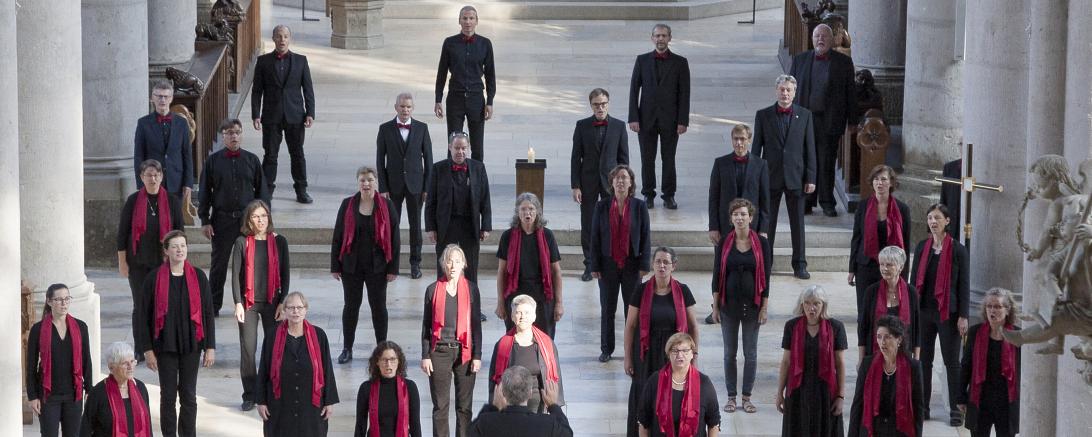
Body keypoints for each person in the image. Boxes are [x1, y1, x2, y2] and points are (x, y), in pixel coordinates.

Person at [136, 230, 216, 437]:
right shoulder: (154, 278)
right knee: (168, 396)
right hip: (164, 345)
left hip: (192, 344)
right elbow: (142, 316)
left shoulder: (198, 276)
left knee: (189, 396)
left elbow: (207, 313)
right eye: (174, 246)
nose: (180, 249)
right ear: (166, 251)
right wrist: (147, 350)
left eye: (183, 245)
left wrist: (210, 347)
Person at [199, 118, 270, 315]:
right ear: (223, 136)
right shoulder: (213, 161)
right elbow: (204, 192)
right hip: (222, 220)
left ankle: (248, 302)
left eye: (237, 132)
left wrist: (262, 219)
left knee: (249, 264)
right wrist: (205, 220)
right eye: (230, 133)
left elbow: (262, 192)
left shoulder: (252, 160)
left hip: (247, 221)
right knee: (219, 264)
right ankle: (213, 305)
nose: (234, 136)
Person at [624, 247, 697, 437]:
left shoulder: (683, 290)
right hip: (645, 354)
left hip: (673, 354)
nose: (662, 266)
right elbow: (630, 326)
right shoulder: (641, 290)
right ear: (653, 265)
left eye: (666, 262)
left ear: (674, 266)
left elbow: (693, 327)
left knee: (670, 396)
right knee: (643, 395)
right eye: (658, 261)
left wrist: (693, 356)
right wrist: (627, 358)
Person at [332, 167, 401, 364]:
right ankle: (347, 348)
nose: (366, 184)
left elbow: (395, 239)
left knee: (378, 307)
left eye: (370, 180)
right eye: (362, 180)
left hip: (378, 267)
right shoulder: (348, 205)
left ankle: (382, 348)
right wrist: (335, 266)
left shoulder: (387, 206)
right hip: (351, 267)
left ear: (376, 182)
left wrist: (393, 268)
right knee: (351, 307)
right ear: (358, 183)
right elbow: (338, 236)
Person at [710, 197, 772, 415]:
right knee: (729, 354)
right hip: (728, 306)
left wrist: (764, 307)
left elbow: (766, 277)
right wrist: (715, 307)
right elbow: (717, 274)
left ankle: (746, 397)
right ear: (731, 218)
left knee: (751, 354)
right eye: (735, 214)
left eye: (743, 214)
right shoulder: (725, 242)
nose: (739, 217)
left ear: (751, 217)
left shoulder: (762, 243)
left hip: (753, 306)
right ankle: (730, 396)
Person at [751, 74, 816, 279]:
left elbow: (810, 149)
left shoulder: (805, 115)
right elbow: (756, 150)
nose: (785, 93)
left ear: (794, 92)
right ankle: (765, 264)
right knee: (766, 224)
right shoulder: (763, 115)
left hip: (796, 177)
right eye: (782, 89)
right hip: (771, 176)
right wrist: (755, 178)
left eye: (789, 90)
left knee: (798, 223)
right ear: (776, 90)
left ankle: (800, 264)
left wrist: (811, 177)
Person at [909, 203, 969, 425]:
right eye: (930, 218)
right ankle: (923, 408)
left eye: (937, 218)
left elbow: (964, 285)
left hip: (948, 313)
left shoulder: (958, 250)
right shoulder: (923, 247)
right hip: (924, 311)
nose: (933, 222)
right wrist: (911, 309)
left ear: (947, 221)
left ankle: (955, 409)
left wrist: (963, 315)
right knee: (924, 360)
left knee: (951, 362)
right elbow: (913, 281)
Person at [789, 23, 856, 217]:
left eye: (824, 36)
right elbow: (791, 90)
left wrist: (852, 121)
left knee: (826, 162)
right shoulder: (800, 60)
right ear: (812, 39)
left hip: (830, 120)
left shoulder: (843, 63)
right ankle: (807, 202)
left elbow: (850, 93)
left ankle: (827, 202)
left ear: (832, 40)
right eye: (817, 36)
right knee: (805, 161)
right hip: (804, 120)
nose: (820, 39)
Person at [118, 159, 185, 348]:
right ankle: (141, 347)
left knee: (164, 303)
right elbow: (122, 233)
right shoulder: (133, 201)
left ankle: (161, 343)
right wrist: (122, 262)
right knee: (141, 305)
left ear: (162, 177)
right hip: (137, 263)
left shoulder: (172, 201)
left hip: (163, 263)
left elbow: (180, 233)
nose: (153, 179)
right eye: (148, 175)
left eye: (156, 175)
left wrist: (178, 261)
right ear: (141, 177)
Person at [230, 199, 290, 411]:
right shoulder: (241, 242)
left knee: (274, 349)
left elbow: (285, 274)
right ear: (249, 220)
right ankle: (249, 394)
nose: (261, 220)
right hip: (249, 304)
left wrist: (283, 302)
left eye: (264, 216)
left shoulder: (279, 242)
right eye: (256, 216)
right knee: (248, 349)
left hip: (273, 303)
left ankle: (272, 391)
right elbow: (236, 276)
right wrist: (238, 303)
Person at [706, 129, 770, 324]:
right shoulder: (720, 163)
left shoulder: (761, 164)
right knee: (721, 268)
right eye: (736, 139)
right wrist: (713, 226)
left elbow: (764, 200)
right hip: (726, 228)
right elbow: (713, 197)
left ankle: (756, 306)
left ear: (749, 140)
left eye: (743, 139)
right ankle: (717, 307)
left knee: (755, 269)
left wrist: (763, 228)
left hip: (752, 229)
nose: (739, 143)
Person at [590, 165, 651, 363]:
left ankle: (632, 349)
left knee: (631, 309)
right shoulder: (602, 206)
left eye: (624, 177)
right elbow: (595, 238)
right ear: (612, 182)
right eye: (617, 178)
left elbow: (645, 237)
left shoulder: (640, 207)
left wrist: (644, 264)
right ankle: (606, 348)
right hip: (607, 264)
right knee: (607, 308)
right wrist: (594, 265)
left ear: (631, 182)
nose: (621, 181)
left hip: (632, 264)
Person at [420, 244, 484, 437]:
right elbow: (426, 326)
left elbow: (476, 326)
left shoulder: (472, 290)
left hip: (465, 351)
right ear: (443, 264)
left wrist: (477, 355)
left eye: (457, 261)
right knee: (440, 406)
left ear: (464, 264)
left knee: (464, 406)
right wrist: (425, 356)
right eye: (449, 261)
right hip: (439, 351)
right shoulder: (432, 290)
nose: (453, 265)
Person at [257, 291, 339, 436]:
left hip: (311, 408)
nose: (296, 311)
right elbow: (264, 369)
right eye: (291, 307)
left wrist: (329, 401)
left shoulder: (319, 335)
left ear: (305, 310)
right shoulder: (272, 335)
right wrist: (261, 401)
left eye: (300, 307)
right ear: (285, 311)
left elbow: (327, 370)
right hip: (280, 406)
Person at [628, 23, 690, 210]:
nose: (660, 39)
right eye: (657, 35)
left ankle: (669, 195)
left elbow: (684, 94)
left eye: (664, 35)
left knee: (668, 159)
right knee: (647, 158)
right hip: (646, 119)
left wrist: (682, 120)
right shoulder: (642, 60)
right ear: (652, 38)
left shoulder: (680, 62)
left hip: (671, 120)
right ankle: (648, 194)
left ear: (670, 38)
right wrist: (633, 117)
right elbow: (634, 90)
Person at [252, 24, 316, 203]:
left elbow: (308, 89)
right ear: (273, 39)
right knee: (270, 155)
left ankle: (301, 190)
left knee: (297, 154)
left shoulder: (301, 61)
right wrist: (256, 114)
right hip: (271, 116)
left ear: (290, 38)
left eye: (285, 36)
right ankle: (267, 192)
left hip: (295, 115)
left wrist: (310, 112)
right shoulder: (263, 62)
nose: (282, 40)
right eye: (278, 36)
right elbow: (257, 90)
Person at [572, 88, 630, 282]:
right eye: (596, 104)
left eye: (603, 103)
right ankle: (589, 265)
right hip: (587, 181)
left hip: (611, 184)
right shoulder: (582, 126)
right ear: (591, 106)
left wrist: (624, 185)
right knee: (588, 223)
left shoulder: (619, 126)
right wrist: (575, 185)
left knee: (612, 222)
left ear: (608, 104)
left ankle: (609, 262)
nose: (600, 107)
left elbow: (624, 159)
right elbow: (575, 158)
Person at [774, 285, 847, 437]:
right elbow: (786, 362)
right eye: (807, 303)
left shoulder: (836, 327)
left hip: (825, 392)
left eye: (816, 303)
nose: (811, 308)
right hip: (798, 390)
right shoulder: (791, 327)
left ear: (823, 305)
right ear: (801, 305)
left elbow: (840, 364)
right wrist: (780, 392)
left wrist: (840, 396)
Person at [377, 92, 433, 279]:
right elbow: (379, 160)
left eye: (408, 107)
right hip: (393, 186)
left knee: (416, 226)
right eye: (402, 106)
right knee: (392, 225)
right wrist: (383, 187)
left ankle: (415, 264)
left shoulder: (422, 128)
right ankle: (391, 264)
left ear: (413, 108)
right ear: (396, 107)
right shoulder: (385, 129)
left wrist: (427, 187)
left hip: (415, 186)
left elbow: (429, 160)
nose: (405, 110)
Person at [27, 283, 92, 437]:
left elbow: (86, 361)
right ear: (49, 302)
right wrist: (32, 396)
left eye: (67, 299)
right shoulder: (37, 330)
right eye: (59, 299)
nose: (64, 303)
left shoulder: (81, 327)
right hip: (48, 396)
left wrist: (89, 389)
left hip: (74, 394)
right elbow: (30, 366)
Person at [425, 132, 491, 284]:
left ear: (468, 148)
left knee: (471, 266)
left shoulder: (478, 168)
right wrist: (430, 227)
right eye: (456, 148)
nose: (460, 152)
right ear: (450, 147)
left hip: (470, 224)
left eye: (463, 148)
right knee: (444, 265)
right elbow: (431, 202)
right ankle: (442, 303)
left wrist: (486, 225)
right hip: (446, 225)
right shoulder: (438, 168)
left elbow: (485, 198)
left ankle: (472, 305)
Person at [495, 193, 563, 336]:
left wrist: (559, 303)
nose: (527, 213)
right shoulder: (507, 237)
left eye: (531, 209)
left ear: (537, 212)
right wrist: (500, 303)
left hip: (543, 296)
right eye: (523, 209)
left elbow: (556, 271)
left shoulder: (548, 236)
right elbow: (501, 272)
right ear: (517, 212)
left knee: (544, 339)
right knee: (516, 338)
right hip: (516, 296)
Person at [434, 5, 496, 161]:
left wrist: (490, 102)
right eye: (465, 18)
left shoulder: (485, 44)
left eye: (471, 18)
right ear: (459, 21)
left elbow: (490, 75)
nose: (468, 22)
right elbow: (441, 73)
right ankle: (451, 181)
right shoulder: (449, 43)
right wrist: (438, 99)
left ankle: (477, 182)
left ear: (476, 21)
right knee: (453, 143)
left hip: (476, 99)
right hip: (455, 98)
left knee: (477, 145)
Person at [849, 165, 911, 318]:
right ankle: (863, 342)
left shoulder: (902, 209)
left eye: (884, 179)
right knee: (865, 311)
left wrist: (904, 273)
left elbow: (906, 244)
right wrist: (852, 269)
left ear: (891, 183)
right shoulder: (863, 206)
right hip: (866, 265)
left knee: (888, 311)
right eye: (876, 179)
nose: (879, 183)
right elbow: (856, 237)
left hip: (891, 267)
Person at [958, 288, 1021, 437]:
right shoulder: (975, 332)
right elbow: (966, 366)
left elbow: (1024, 372)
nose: (992, 310)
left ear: (1007, 310)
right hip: (981, 399)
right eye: (989, 306)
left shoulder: (1017, 335)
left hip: (1007, 401)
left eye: (997, 306)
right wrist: (961, 396)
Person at [848, 316, 924, 437]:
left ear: (899, 339)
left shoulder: (913, 367)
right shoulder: (867, 364)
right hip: (872, 431)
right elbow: (857, 404)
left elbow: (918, 408)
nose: (882, 342)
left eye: (887, 337)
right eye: (879, 337)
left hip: (900, 432)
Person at [488, 294, 565, 414]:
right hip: (512, 402)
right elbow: (494, 379)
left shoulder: (547, 344)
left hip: (538, 400)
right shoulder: (502, 345)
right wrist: (494, 406)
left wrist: (555, 406)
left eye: (527, 312)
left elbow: (557, 377)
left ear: (534, 316)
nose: (522, 316)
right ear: (512, 316)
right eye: (518, 312)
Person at [637, 332, 720, 437]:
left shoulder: (704, 383)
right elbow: (643, 420)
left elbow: (714, 423)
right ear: (668, 354)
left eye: (685, 351)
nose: (680, 355)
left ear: (692, 354)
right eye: (675, 350)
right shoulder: (655, 381)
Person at [470, 366, 573, 437]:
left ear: (503, 392)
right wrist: (554, 406)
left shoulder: (486, 422)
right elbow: (567, 434)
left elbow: (470, 432)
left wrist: (494, 407)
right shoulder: (548, 423)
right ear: (530, 393)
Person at [133, 80, 193, 198]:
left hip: (176, 181)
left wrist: (188, 183)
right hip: (152, 182)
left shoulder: (182, 123)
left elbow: (187, 154)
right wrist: (141, 184)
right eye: (159, 96)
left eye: (166, 96)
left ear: (171, 99)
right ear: (152, 98)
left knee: (174, 216)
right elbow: (139, 156)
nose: (162, 100)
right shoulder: (143, 123)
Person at [858, 246, 920, 359]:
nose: (884, 268)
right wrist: (861, 359)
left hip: (903, 353)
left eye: (889, 265)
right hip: (874, 353)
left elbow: (917, 329)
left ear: (900, 267)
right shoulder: (871, 291)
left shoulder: (911, 293)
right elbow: (863, 327)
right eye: (882, 264)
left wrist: (916, 359)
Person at [79, 342, 153, 437]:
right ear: (111, 367)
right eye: (125, 363)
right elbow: (86, 429)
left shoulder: (140, 388)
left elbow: (148, 426)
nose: (130, 367)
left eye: (132, 361)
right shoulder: (98, 393)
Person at [354, 341, 422, 437]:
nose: (388, 364)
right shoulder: (366, 388)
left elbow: (415, 425)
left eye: (392, 359)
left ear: (399, 361)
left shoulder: (410, 387)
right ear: (377, 362)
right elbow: (360, 425)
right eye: (384, 360)